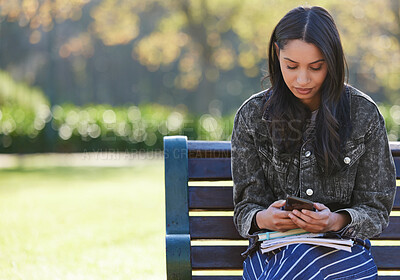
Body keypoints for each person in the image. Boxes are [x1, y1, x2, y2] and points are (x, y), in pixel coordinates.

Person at [231, 6, 396, 280]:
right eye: (291, 66)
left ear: (331, 62)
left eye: (316, 67)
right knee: (294, 263)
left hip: (343, 254)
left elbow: (376, 209)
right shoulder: (253, 116)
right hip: (274, 253)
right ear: (277, 54)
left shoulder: (363, 114)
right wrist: (265, 219)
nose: (303, 79)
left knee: (304, 264)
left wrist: (334, 221)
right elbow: (246, 207)